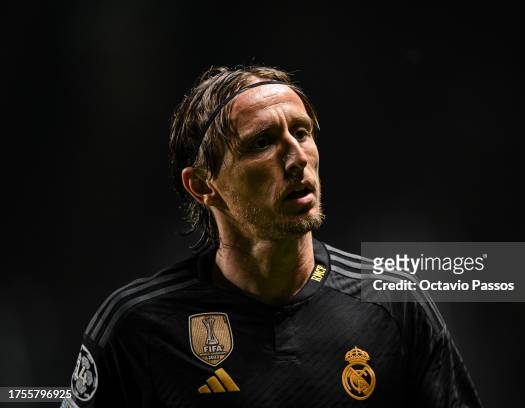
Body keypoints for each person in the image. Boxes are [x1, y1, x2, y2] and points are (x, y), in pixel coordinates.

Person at [62, 65, 483, 407]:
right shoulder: (137, 327)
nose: (297, 157)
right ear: (203, 185)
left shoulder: (394, 306)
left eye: (301, 132)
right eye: (262, 142)